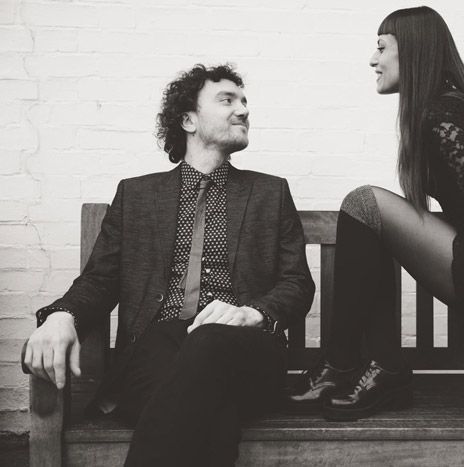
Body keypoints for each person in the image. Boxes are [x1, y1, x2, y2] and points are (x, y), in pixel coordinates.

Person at [23, 64, 315, 465]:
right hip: (155, 354)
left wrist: (252, 313)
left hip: (245, 352)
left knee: (208, 340)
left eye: (245, 101)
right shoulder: (137, 195)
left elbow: (297, 283)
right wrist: (62, 315)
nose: (244, 110)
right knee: (213, 410)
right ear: (188, 120)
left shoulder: (270, 192)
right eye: (227, 100)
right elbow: (100, 280)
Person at [288, 6, 464, 422]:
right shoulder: (445, 107)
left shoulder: (443, 115)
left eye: (381, 48)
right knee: (371, 221)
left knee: (362, 203)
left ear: (412, 51)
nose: (373, 60)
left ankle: (345, 363)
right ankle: (380, 368)